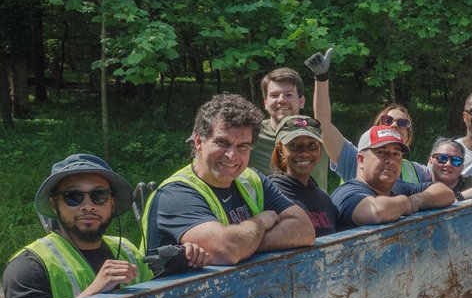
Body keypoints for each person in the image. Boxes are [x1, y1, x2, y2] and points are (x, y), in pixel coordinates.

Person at [4, 154, 207, 298]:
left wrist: (184, 266)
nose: (87, 206)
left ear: (112, 201)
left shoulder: (127, 249)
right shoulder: (29, 265)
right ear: (54, 203)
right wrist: (93, 294)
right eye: (73, 197)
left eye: (98, 196)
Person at [142, 94, 315, 263]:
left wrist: (245, 245)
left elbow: (304, 229)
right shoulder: (175, 194)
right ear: (199, 142)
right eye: (222, 143)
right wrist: (260, 223)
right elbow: (227, 250)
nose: (232, 155)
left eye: (242, 146)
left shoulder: (252, 179)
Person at [306, 45, 431, 186]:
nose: (394, 125)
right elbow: (323, 124)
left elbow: (449, 175)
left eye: (402, 123)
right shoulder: (355, 159)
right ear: (375, 128)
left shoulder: (418, 171)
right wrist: (321, 78)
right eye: (387, 120)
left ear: (408, 139)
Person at [331, 125, 455, 229]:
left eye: (396, 154)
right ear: (361, 160)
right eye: (381, 152)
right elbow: (376, 212)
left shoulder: (397, 187)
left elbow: (445, 192)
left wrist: (416, 201)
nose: (391, 160)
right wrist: (410, 204)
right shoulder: (347, 193)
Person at [249, 67, 331, 188]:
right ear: (265, 102)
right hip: (266, 207)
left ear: (301, 101)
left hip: (315, 205)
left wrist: (322, 78)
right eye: (274, 95)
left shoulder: (317, 134)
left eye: (289, 95)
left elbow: (325, 120)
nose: (281, 100)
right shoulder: (251, 135)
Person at [268, 115, 339, 237]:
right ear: (281, 151)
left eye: (312, 145)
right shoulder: (269, 193)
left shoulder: (325, 199)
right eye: (294, 145)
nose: (304, 153)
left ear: (319, 150)